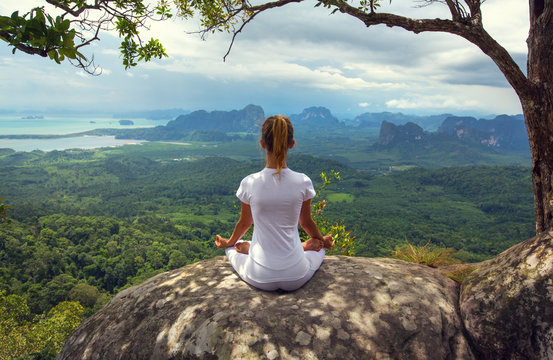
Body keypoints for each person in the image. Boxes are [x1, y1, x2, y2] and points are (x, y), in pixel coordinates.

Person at [215, 115, 333, 291]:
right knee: (319, 248)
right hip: (296, 276)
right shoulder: (303, 181)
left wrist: (228, 242)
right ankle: (302, 247)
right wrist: (320, 239)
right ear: (291, 144)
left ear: (262, 144)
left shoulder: (249, 182)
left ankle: (252, 249)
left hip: (259, 276)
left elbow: (245, 223)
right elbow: (306, 223)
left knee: (233, 248)